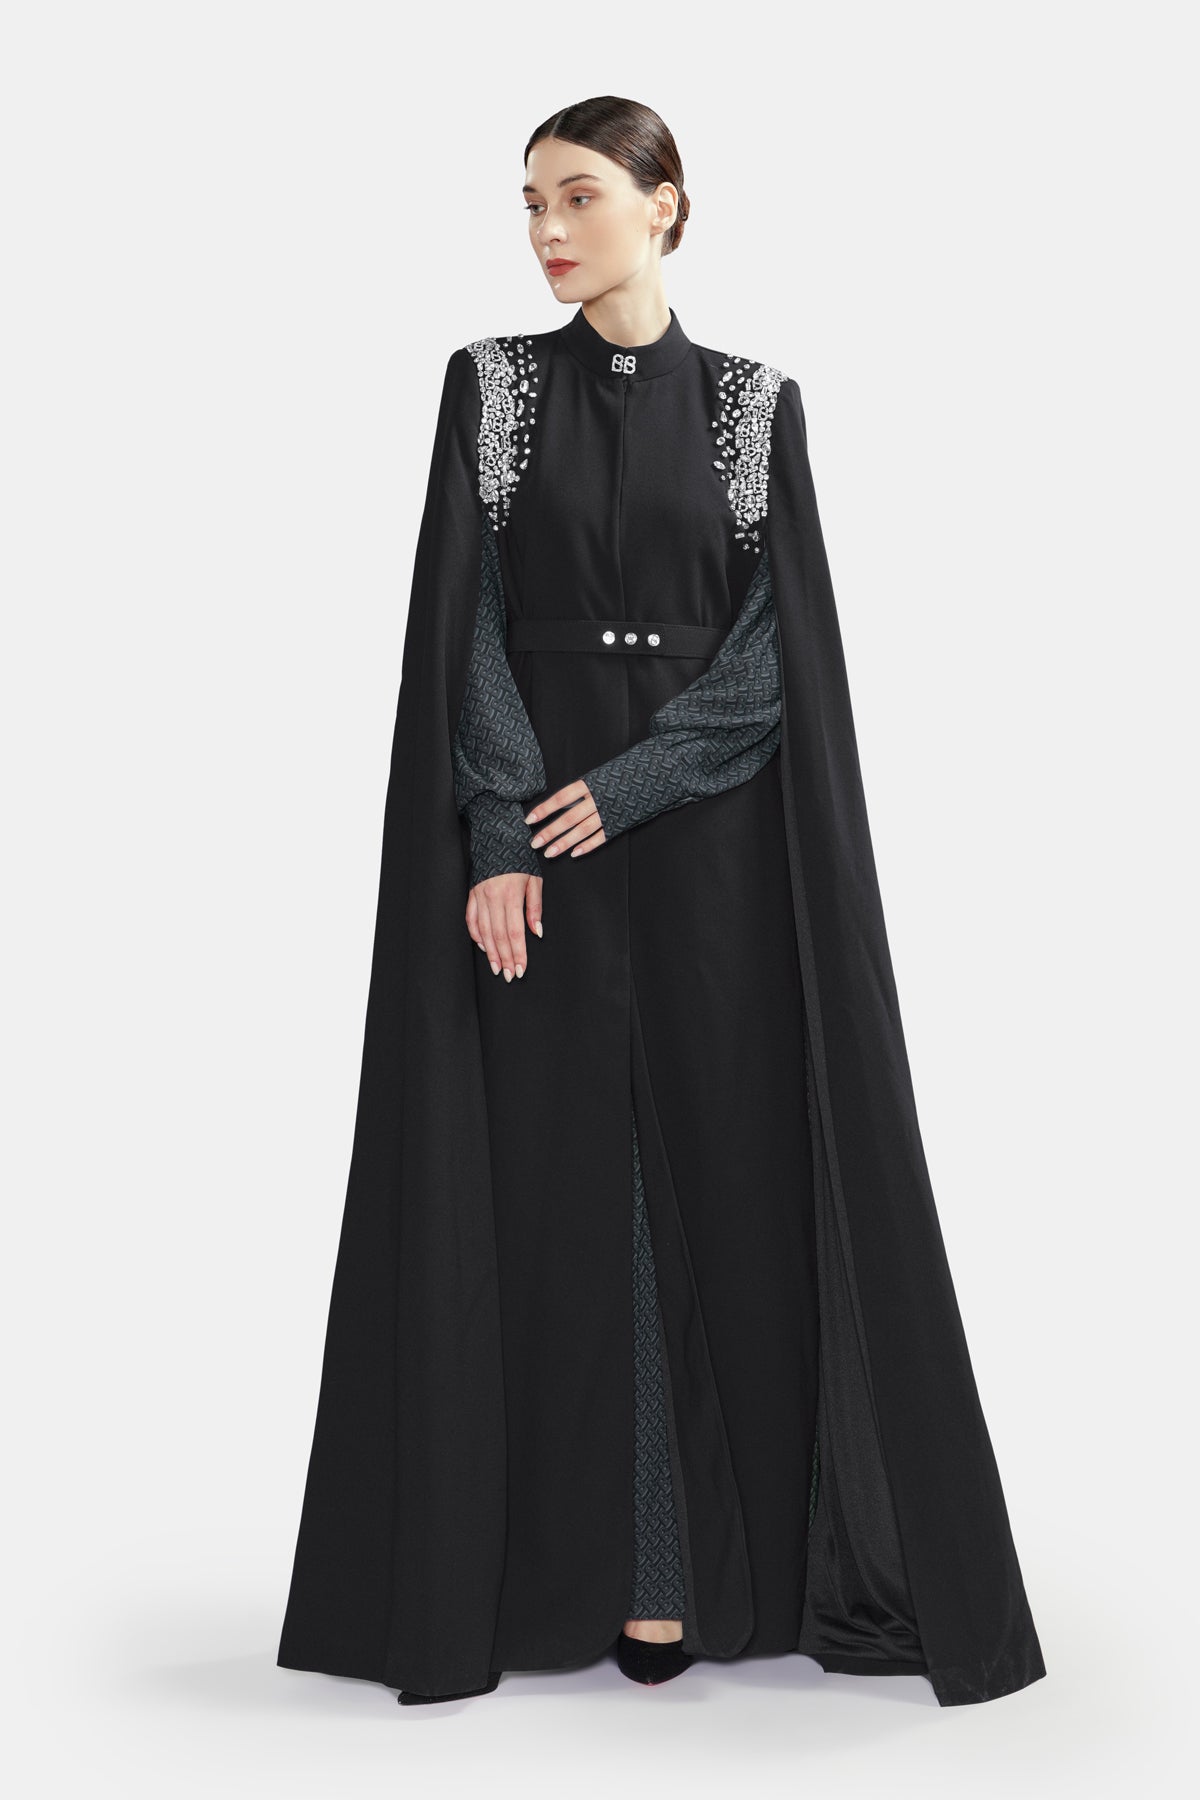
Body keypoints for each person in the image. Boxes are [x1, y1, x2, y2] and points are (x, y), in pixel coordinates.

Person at [276, 95, 1047, 1709]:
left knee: (719, 1179)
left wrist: (630, 785)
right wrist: (501, 828)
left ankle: (697, 1579)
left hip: (713, 860)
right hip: (537, 866)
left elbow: (779, 651)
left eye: (579, 197)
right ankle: (581, 1574)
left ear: (666, 204)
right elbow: (469, 619)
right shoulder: (491, 390)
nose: (548, 230)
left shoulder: (755, 407)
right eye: (530, 203)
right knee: (557, 1188)